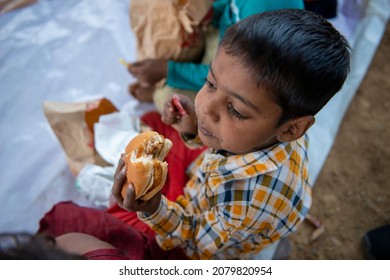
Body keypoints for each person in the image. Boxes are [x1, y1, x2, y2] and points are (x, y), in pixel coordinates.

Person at [109, 9, 351, 259]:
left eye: (235, 110)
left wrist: (153, 208)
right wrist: (193, 128)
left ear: (291, 129)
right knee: (153, 124)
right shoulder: (268, 128)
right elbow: (222, 135)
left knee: (84, 223)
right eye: (211, 83)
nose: (205, 108)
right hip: (203, 185)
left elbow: (194, 243)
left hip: (205, 242)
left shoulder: (248, 203)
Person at [127, 0, 305, 111]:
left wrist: (167, 69)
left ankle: (157, 93)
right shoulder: (252, 12)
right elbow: (231, 7)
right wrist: (213, 13)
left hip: (247, 76)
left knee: (168, 98)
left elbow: (230, 77)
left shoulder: (261, 8)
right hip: (235, 42)